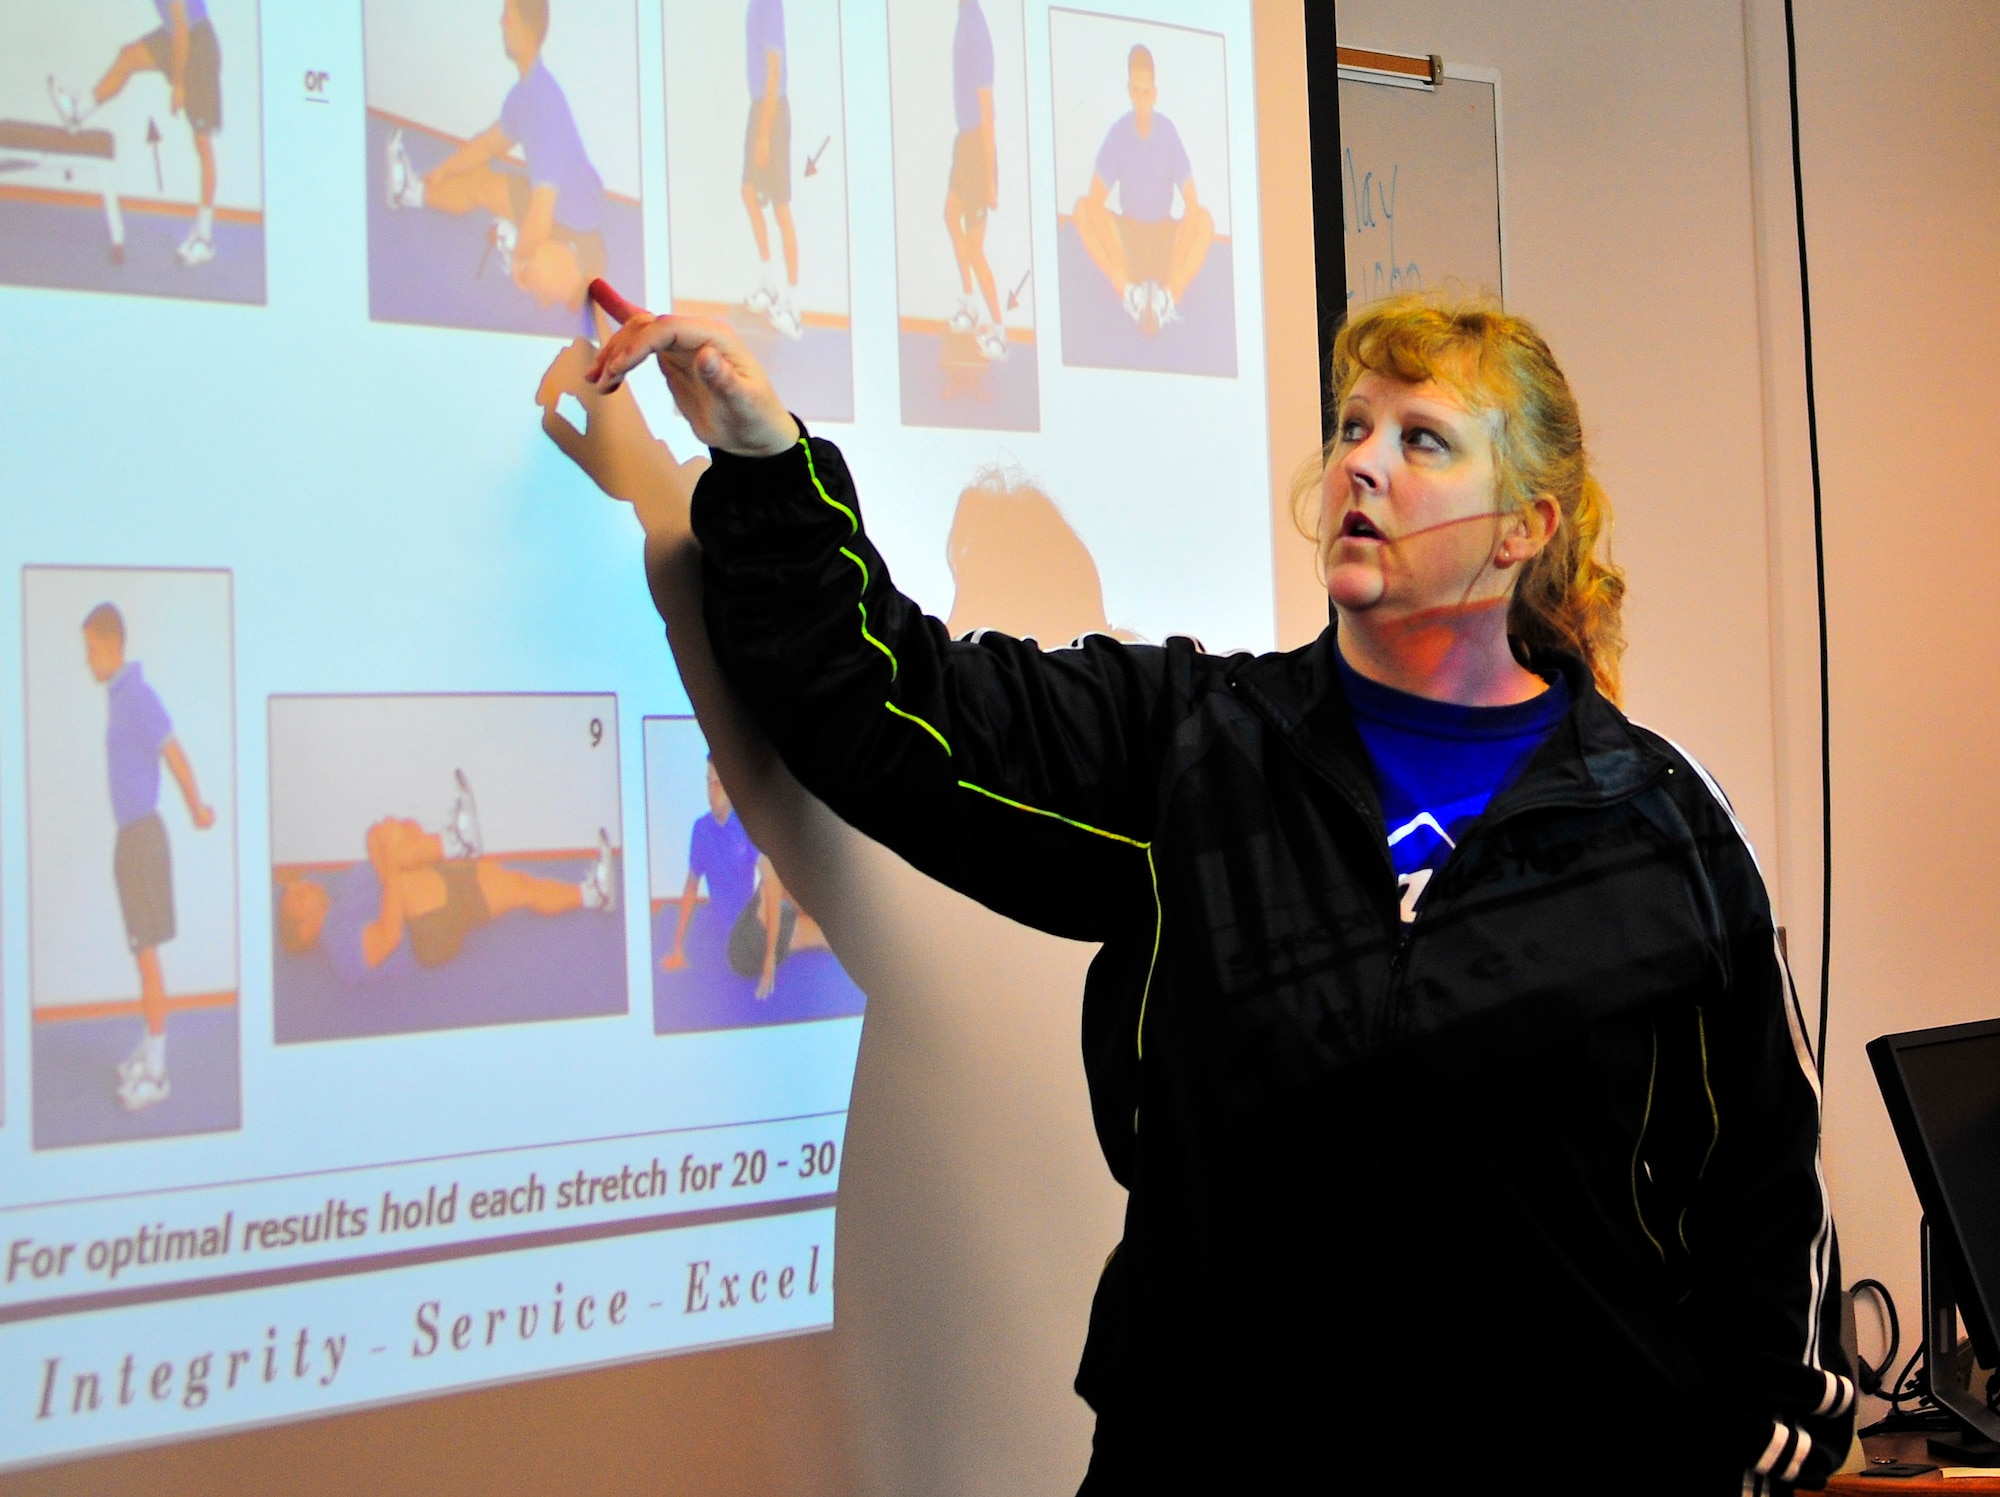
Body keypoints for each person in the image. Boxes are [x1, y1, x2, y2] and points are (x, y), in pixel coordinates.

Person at [566, 291, 1855, 1492]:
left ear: (1523, 529)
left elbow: (1761, 1177)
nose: (1359, 464)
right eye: (1351, 429)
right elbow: (896, 710)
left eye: (1421, 440)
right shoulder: (1195, 745)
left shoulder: (1656, 826)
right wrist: (763, 461)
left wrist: (1746, 1432)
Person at [277, 774, 615, 983]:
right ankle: (456, 842)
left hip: (435, 890)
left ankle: (594, 893)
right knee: (382, 844)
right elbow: (390, 936)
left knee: (522, 887)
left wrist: (402, 838)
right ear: (305, 930)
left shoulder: (350, 885)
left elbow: (403, 855)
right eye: (297, 897)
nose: (305, 887)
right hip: (427, 934)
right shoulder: (341, 949)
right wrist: (392, 857)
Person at [384, 0, 607, 310]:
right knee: (478, 182)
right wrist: (444, 170)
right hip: (552, 207)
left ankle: (536, 259)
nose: (501, 24)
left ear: (527, 31)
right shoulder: (525, 93)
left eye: (508, 18)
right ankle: (409, 193)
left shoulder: (545, 106)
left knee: (542, 274)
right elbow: (489, 145)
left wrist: (522, 259)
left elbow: (543, 207)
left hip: (579, 232)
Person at [83, 603, 216, 1111]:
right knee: (143, 957)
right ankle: (148, 1047)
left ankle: (157, 1074)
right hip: (131, 839)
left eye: (90, 649)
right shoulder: (119, 696)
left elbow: (174, 754)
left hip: (143, 841)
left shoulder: (136, 696)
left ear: (110, 644)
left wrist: (197, 808)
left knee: (148, 961)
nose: (87, 660)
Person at [51, 0, 226, 268]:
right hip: (177, 36)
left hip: (198, 48)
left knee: (202, 144)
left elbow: (182, 33)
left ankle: (204, 238)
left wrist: (178, 85)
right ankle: (79, 110)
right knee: (128, 56)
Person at [1071, 44, 1213, 336]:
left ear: (1155, 93)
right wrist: (1116, 264)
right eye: (1136, 90)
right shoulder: (1119, 133)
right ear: (1129, 91)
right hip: (1129, 237)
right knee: (1081, 210)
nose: (1141, 97)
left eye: (1147, 91)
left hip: (1163, 237)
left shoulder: (1168, 132)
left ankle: (1167, 296)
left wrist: (1176, 268)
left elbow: (1192, 203)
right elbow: (1094, 200)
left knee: (1205, 220)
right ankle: (1129, 292)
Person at [943, 0, 1005, 361]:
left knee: (975, 248)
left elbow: (987, 109)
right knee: (951, 215)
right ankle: (970, 304)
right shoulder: (964, 18)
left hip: (977, 152)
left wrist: (990, 176)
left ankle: (999, 331)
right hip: (964, 143)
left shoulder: (977, 29)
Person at [660, 756, 758, 971]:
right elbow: (691, 886)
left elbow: (771, 880)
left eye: (718, 784)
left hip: (749, 931)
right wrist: (677, 948)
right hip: (718, 934)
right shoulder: (701, 829)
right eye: (708, 782)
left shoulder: (748, 826)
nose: (711, 792)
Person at [740, 0, 802, 340]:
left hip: (772, 111)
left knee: (780, 208)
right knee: (749, 192)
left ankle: (793, 307)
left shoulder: (769, 5)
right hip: (759, 107)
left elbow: (774, 69)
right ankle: (769, 283)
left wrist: (764, 133)